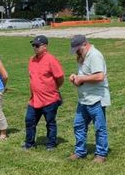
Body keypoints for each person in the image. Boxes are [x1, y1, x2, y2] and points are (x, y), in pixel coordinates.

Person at [68, 34, 109, 162]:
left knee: (99, 128)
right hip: (84, 99)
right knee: (78, 125)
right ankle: (80, 152)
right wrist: (76, 77)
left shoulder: (95, 55)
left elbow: (99, 77)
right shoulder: (84, 56)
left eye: (78, 49)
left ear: (85, 45)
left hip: (96, 99)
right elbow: (84, 75)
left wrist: (81, 79)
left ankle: (101, 154)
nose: (77, 52)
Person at [24, 35, 64, 151]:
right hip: (34, 99)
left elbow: (60, 77)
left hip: (49, 99)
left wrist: (54, 88)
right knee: (29, 120)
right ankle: (29, 143)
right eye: (33, 45)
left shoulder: (51, 59)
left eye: (37, 45)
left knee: (50, 122)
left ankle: (51, 144)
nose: (34, 48)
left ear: (45, 46)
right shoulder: (32, 59)